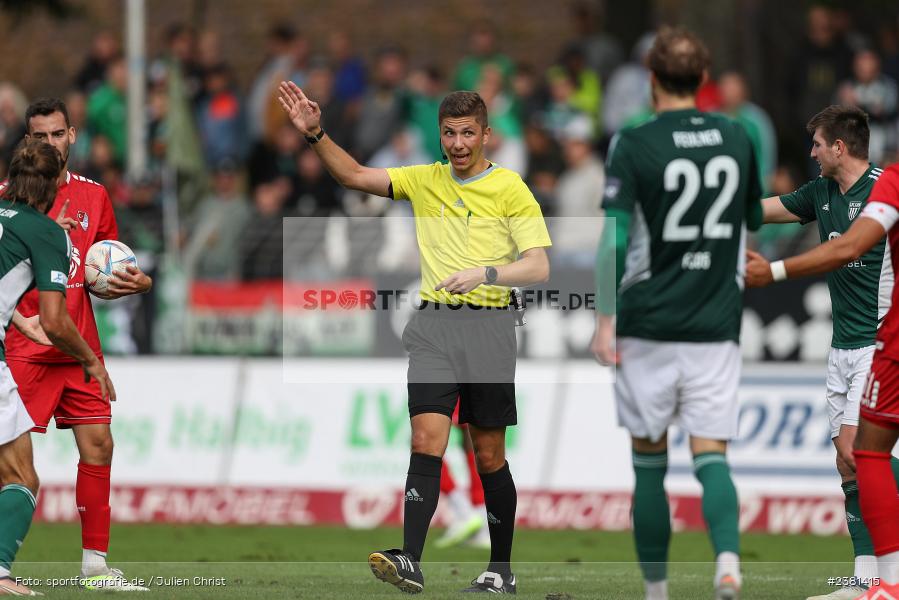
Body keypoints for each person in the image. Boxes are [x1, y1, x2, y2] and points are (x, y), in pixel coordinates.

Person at [279, 81, 551, 594]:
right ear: (440, 135)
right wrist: (316, 134)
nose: (459, 143)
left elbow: (538, 265)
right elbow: (356, 175)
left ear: (487, 135)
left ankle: (500, 570)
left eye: (468, 133)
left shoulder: (511, 189)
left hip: (490, 330)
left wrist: (486, 274)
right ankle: (410, 560)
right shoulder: (425, 180)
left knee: (489, 455)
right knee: (425, 439)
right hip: (433, 328)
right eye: (449, 133)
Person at [589, 28, 764, 600]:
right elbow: (750, 220)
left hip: (648, 322)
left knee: (648, 461)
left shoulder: (633, 141)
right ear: (705, 80)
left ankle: (658, 591)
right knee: (712, 454)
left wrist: (604, 318)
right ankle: (729, 564)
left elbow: (614, 240)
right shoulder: (738, 136)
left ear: (652, 79)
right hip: (716, 321)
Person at [6, 98, 152, 591]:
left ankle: (95, 568)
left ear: (73, 135)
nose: (49, 143)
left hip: (78, 344)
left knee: (99, 445)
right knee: (12, 467)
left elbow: (101, 271)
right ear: (27, 141)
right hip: (24, 347)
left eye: (56, 134)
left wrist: (133, 283)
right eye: (38, 136)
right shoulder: (8, 198)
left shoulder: (95, 196)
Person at [744, 160, 899, 599]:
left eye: (816, 144)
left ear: (839, 145)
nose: (810, 153)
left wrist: (774, 271)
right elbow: (762, 212)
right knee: (847, 462)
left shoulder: (884, 187)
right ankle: (866, 581)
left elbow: (847, 249)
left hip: (879, 341)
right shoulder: (820, 192)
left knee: (862, 453)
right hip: (841, 348)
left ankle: (890, 577)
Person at [0, 139, 115, 596]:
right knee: (21, 477)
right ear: (50, 188)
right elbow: (57, 319)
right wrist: (91, 360)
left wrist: (16, 319)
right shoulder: (45, 233)